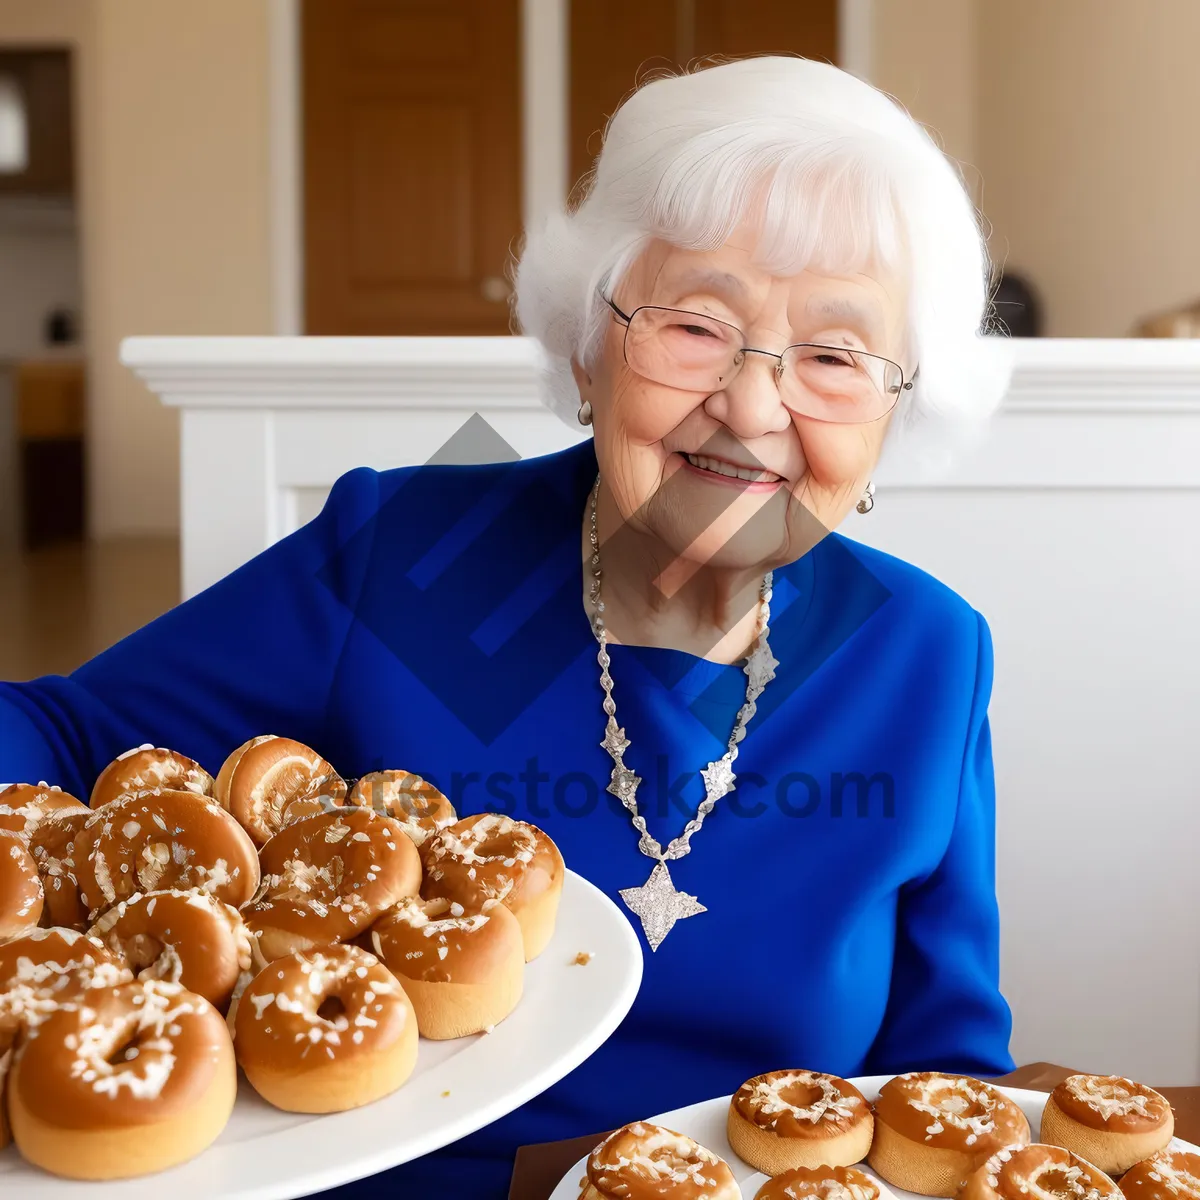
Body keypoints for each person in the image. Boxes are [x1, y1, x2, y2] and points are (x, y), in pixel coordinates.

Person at [0, 55, 1016, 1196]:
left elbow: (946, 1081)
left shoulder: (930, 651)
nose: (751, 403)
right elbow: (49, 732)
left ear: (896, 410)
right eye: (694, 326)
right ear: (587, 346)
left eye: (834, 357)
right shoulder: (408, 549)